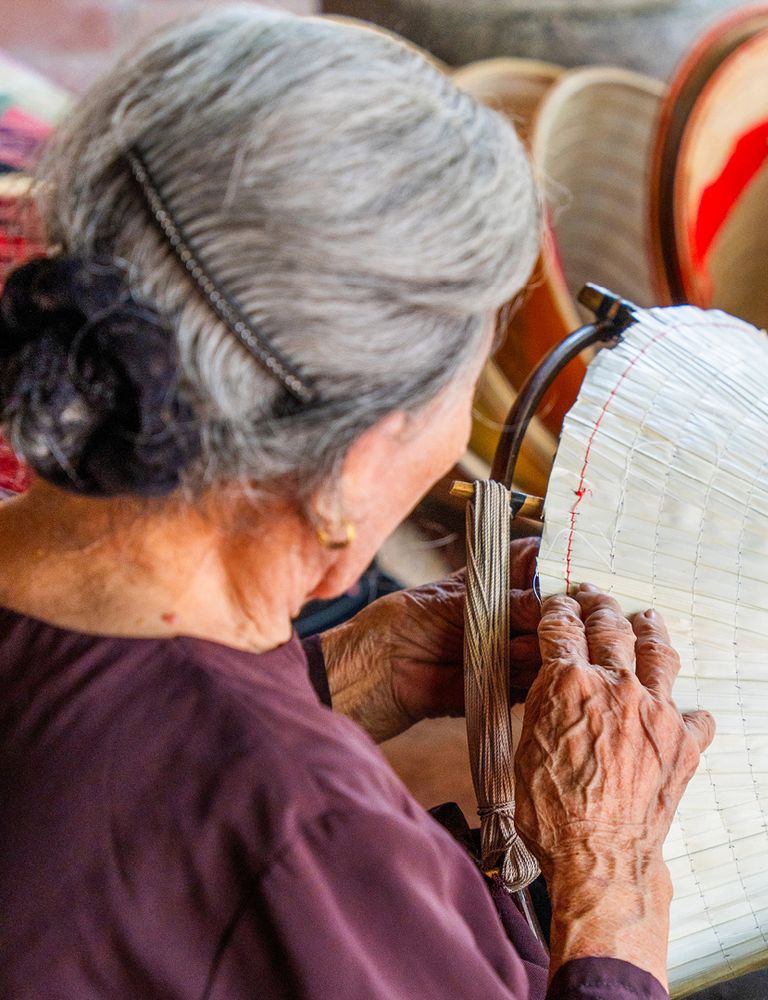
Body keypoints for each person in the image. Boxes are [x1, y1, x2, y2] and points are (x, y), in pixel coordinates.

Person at [0, 9, 714, 998]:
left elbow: (105, 768)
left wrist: (338, 673)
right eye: (468, 375)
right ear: (353, 465)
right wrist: (612, 891)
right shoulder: (308, 831)